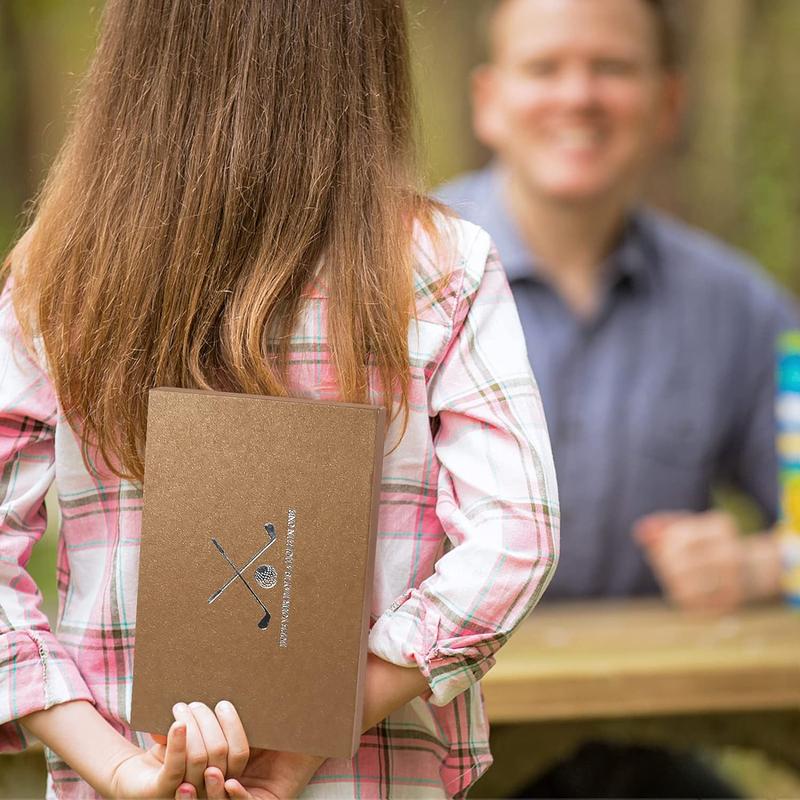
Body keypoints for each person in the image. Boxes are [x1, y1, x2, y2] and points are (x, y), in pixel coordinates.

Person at [0, 1, 559, 799]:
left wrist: (121, 768)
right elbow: (518, 539)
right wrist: (317, 724)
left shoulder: (58, 276)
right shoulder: (438, 267)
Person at [437, 0, 798, 796]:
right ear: (488, 101)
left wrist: (758, 564)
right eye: (544, 68)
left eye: (612, 68)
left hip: (640, 749)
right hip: (428, 746)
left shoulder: (738, 309)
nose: (579, 96)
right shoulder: (387, 282)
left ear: (669, 102)